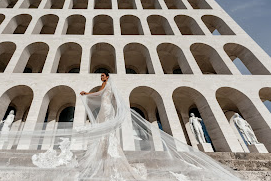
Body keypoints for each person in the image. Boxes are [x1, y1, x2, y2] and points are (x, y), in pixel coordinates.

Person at [32, 73, 241, 181]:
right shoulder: (107, 87)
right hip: (107, 109)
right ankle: (105, 156)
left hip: (106, 108)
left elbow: (98, 94)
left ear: (106, 77)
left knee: (105, 133)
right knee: (106, 135)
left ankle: (104, 157)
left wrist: (87, 94)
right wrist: (90, 95)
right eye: (102, 78)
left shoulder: (106, 85)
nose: (101, 79)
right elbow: (102, 95)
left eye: (103, 76)